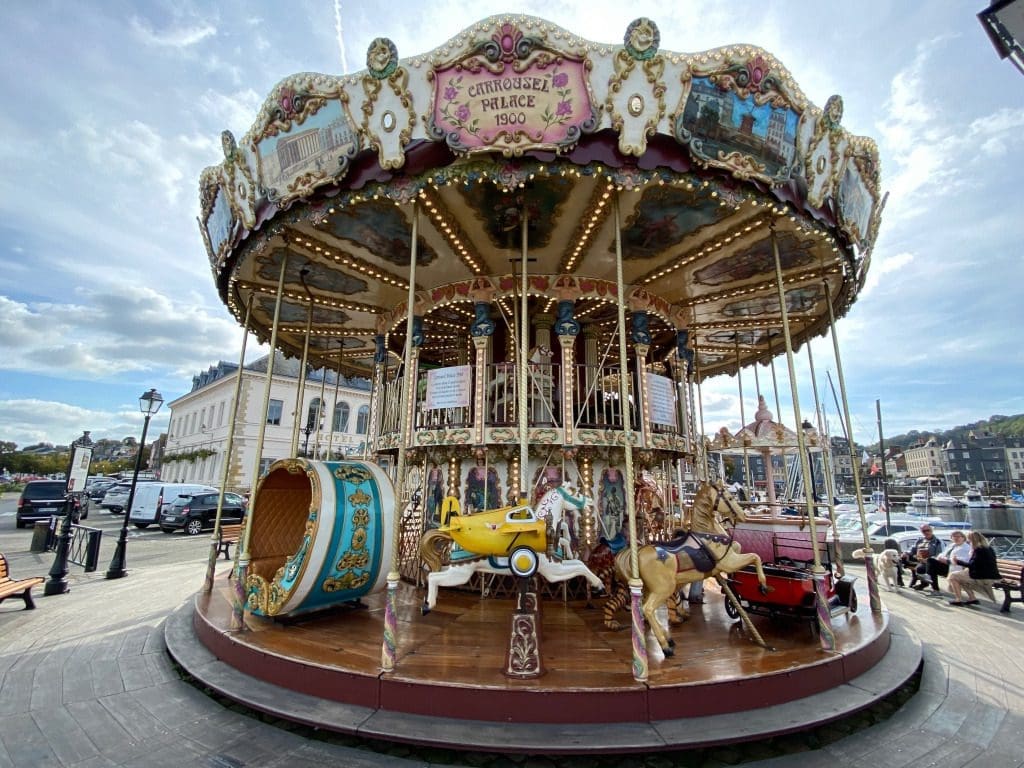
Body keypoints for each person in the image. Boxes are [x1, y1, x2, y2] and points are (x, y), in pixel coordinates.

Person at [948, 531, 1001, 606]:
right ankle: (972, 598)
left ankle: (958, 599)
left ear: (973, 540)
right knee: (960, 575)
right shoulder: (988, 548)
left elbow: (972, 565)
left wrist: (957, 562)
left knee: (953, 576)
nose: (969, 542)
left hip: (984, 577)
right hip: (989, 574)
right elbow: (976, 565)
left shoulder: (979, 550)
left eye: (969, 540)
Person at [906, 524, 944, 592]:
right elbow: (912, 549)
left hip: (934, 562)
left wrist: (927, 559)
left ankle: (935, 589)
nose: (926, 532)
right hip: (921, 560)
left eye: (928, 530)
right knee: (902, 559)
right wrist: (906, 553)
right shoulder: (920, 540)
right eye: (924, 531)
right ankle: (900, 581)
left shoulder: (938, 542)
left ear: (931, 530)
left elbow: (940, 555)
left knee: (925, 567)